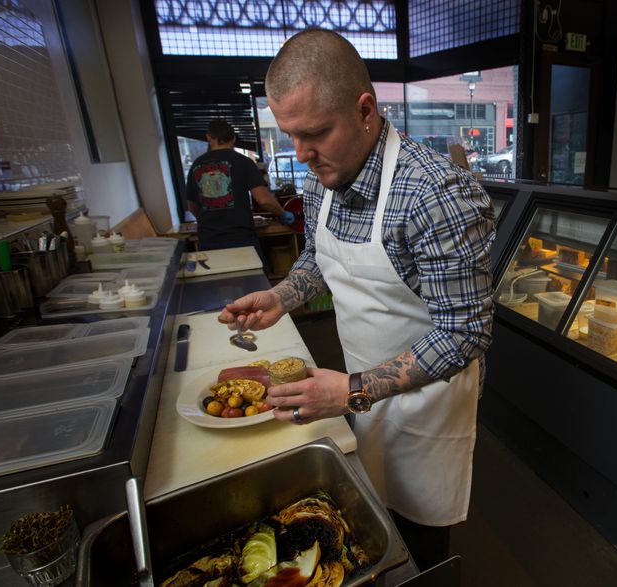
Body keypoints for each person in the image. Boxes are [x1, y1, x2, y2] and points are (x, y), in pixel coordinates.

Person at [219, 30, 495, 570]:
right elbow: (322, 257)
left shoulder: (436, 194)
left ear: (365, 110)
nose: (301, 155)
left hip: (424, 408)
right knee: (369, 520)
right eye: (290, 136)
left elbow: (465, 332)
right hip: (354, 389)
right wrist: (282, 297)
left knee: (415, 544)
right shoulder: (327, 173)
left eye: (315, 133)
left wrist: (351, 390)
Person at [186, 118, 293, 252]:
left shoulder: (196, 165)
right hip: (241, 238)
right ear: (233, 139)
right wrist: (282, 213)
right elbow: (264, 200)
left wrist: (209, 220)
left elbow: (192, 206)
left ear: (209, 137)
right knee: (251, 273)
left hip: (209, 239)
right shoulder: (244, 162)